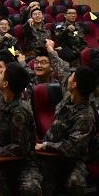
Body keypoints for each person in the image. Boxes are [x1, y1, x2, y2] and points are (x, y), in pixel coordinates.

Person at [36, 67, 97, 196]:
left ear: (74, 84)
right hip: (49, 156)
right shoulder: (69, 95)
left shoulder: (86, 115)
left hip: (73, 159)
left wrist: (47, 145)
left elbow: (72, 147)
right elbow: (61, 68)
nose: (67, 78)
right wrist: (50, 49)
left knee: (75, 182)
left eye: (71, 76)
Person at [0, 63, 42, 196]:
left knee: (29, 187)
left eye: (2, 74)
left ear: (5, 84)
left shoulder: (19, 111)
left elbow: (20, 149)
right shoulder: (1, 98)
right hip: (2, 163)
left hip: (23, 164)